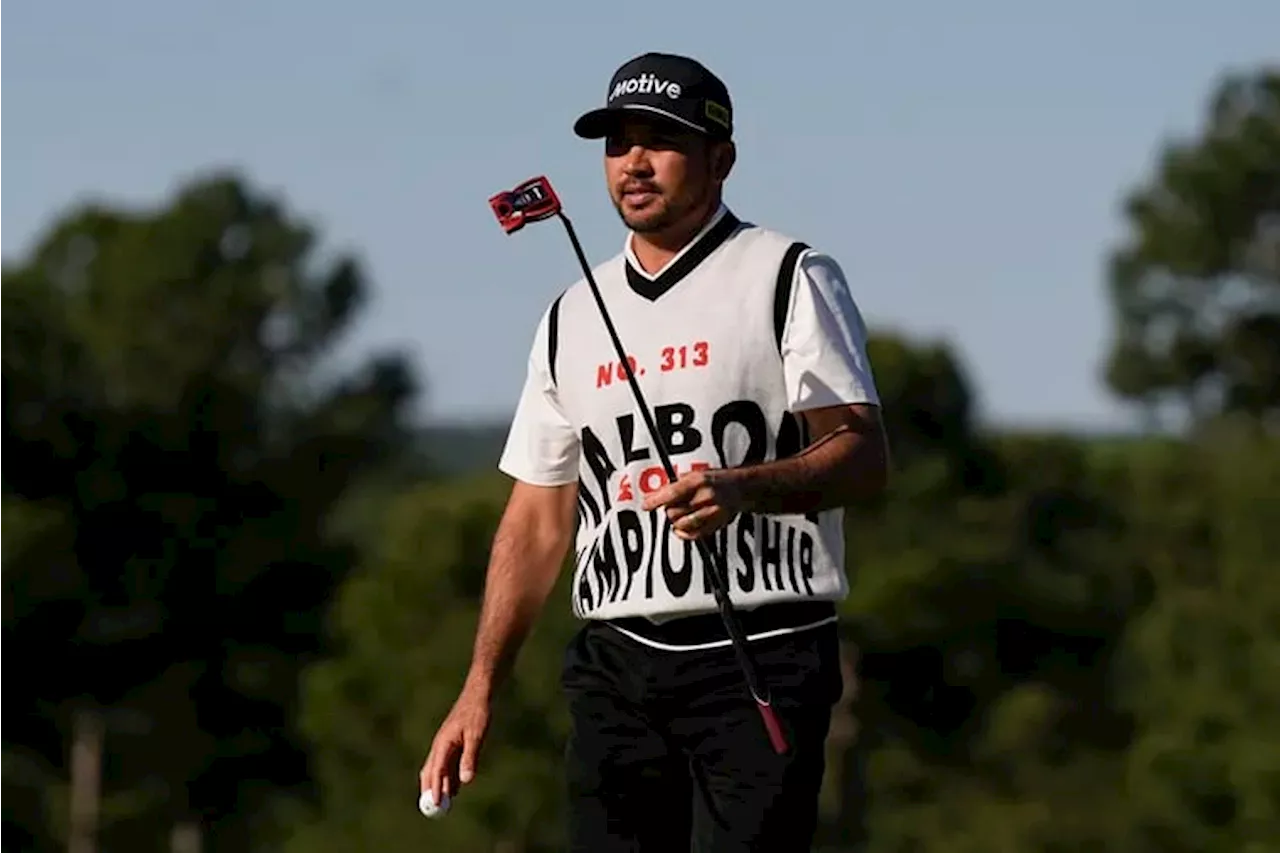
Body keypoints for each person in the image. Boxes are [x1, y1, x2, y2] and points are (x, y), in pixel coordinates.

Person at [421, 51, 890, 852]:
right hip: (615, 667)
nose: (633, 162)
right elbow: (537, 521)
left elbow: (863, 456)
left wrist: (746, 488)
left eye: (660, 140)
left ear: (721, 158)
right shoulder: (572, 312)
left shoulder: (787, 275)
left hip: (762, 653)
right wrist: (477, 689)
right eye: (616, 143)